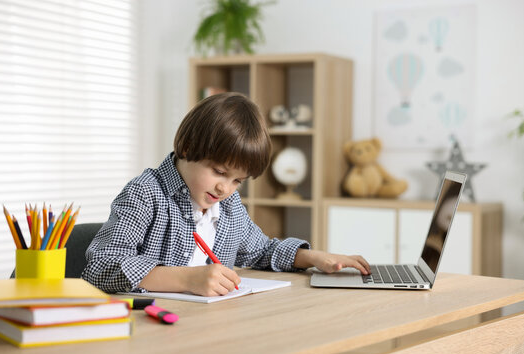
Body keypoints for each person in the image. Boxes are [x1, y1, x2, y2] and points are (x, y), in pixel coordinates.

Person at [82, 92, 370, 296]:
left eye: (238, 181)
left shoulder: (228, 206)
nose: (225, 188)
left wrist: (315, 257)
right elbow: (100, 266)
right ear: (187, 148)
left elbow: (261, 250)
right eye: (219, 172)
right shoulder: (145, 193)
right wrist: (187, 279)